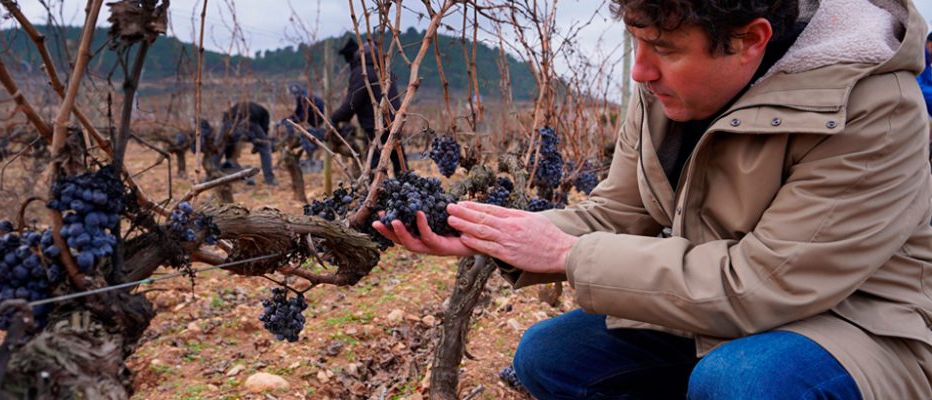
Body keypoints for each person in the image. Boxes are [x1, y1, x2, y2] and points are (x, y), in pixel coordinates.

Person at [374, 0, 932, 398]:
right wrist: (492, 235)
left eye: (662, 47)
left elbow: (765, 283)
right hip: (718, 313)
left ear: (749, 40)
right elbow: (618, 212)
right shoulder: (665, 91)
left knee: (744, 382)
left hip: (858, 327)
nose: (640, 70)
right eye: (636, 43)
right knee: (549, 357)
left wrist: (568, 255)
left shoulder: (873, 108)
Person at [330, 39, 409, 176]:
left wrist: (334, 118)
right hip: (394, 121)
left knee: (375, 168)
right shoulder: (384, 70)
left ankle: (375, 195)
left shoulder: (363, 72)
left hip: (377, 126)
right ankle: (408, 191)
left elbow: (351, 104)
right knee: (400, 164)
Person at [219, 101, 275, 185]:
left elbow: (225, 119)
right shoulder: (264, 113)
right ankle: (269, 179)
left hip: (230, 123)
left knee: (218, 147)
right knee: (265, 147)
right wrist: (259, 145)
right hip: (249, 123)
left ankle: (210, 175)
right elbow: (264, 130)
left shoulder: (236, 107)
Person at [278, 83, 326, 162]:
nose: (294, 96)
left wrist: (291, 122)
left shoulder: (305, 98)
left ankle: (310, 156)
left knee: (305, 137)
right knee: (304, 137)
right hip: (313, 121)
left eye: (294, 94)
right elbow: (297, 112)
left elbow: (303, 116)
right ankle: (308, 153)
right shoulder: (300, 98)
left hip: (317, 121)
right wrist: (284, 120)